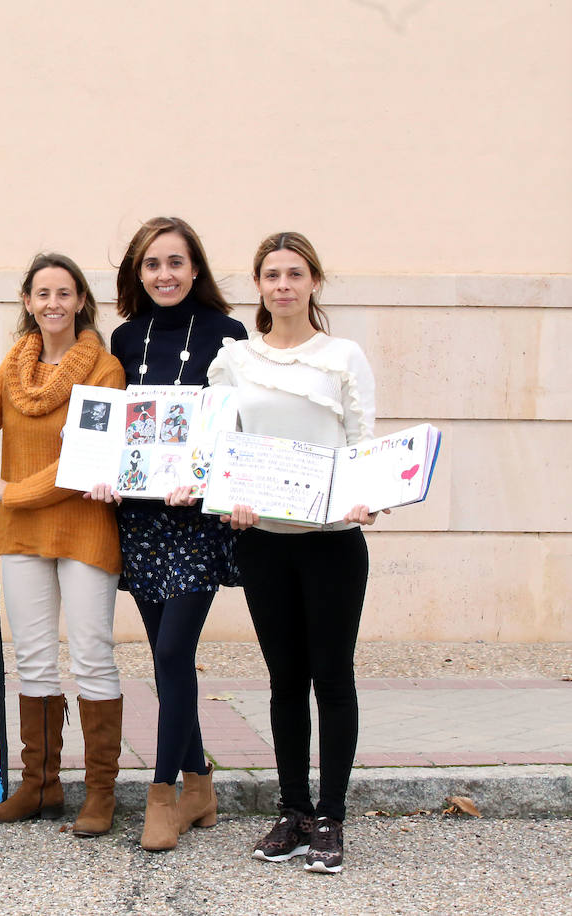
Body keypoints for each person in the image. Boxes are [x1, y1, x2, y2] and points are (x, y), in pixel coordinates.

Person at [208, 231, 381, 874]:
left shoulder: (342, 357)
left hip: (333, 544)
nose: (282, 285)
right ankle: (292, 812)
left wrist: (365, 496)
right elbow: (223, 450)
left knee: (332, 680)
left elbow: (363, 444)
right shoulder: (234, 361)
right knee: (284, 682)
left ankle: (332, 817)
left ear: (314, 282)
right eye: (271, 275)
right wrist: (232, 501)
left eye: (295, 274)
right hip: (264, 546)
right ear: (258, 285)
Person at [90, 217, 249, 850]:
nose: (165, 274)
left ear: (196, 268)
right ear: (137, 273)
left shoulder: (230, 336)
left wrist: (211, 481)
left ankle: (163, 796)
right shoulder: (125, 338)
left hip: (198, 519)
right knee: (164, 659)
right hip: (142, 518)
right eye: (152, 264)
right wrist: (103, 473)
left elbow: (238, 425)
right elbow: (112, 426)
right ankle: (201, 783)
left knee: (173, 654)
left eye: (176, 262)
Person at [0, 253, 126, 837]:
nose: (53, 303)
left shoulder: (105, 371)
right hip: (23, 534)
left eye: (64, 293)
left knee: (92, 657)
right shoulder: (14, 366)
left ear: (81, 301)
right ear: (28, 302)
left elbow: (84, 463)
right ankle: (40, 786)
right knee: (33, 657)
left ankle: (101, 794)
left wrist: (13, 491)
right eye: (43, 293)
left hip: (83, 528)